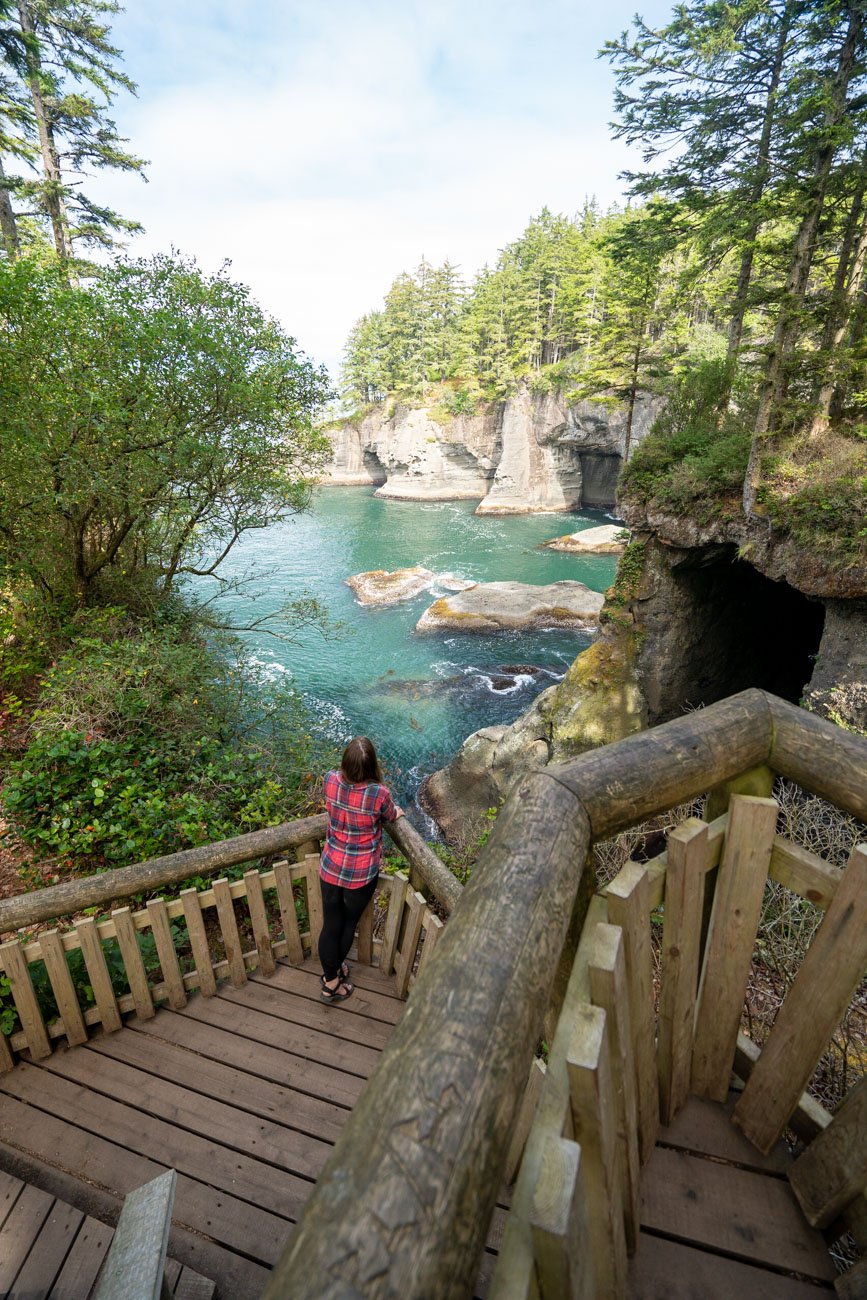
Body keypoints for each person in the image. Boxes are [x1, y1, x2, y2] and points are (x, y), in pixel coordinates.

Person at [318, 736, 403, 1002]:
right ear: (372, 767)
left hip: (331, 865)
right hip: (361, 871)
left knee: (331, 924)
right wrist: (398, 813)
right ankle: (331, 982)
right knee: (348, 924)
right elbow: (391, 815)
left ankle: (331, 973)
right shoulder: (379, 794)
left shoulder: (330, 779)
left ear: (344, 761)